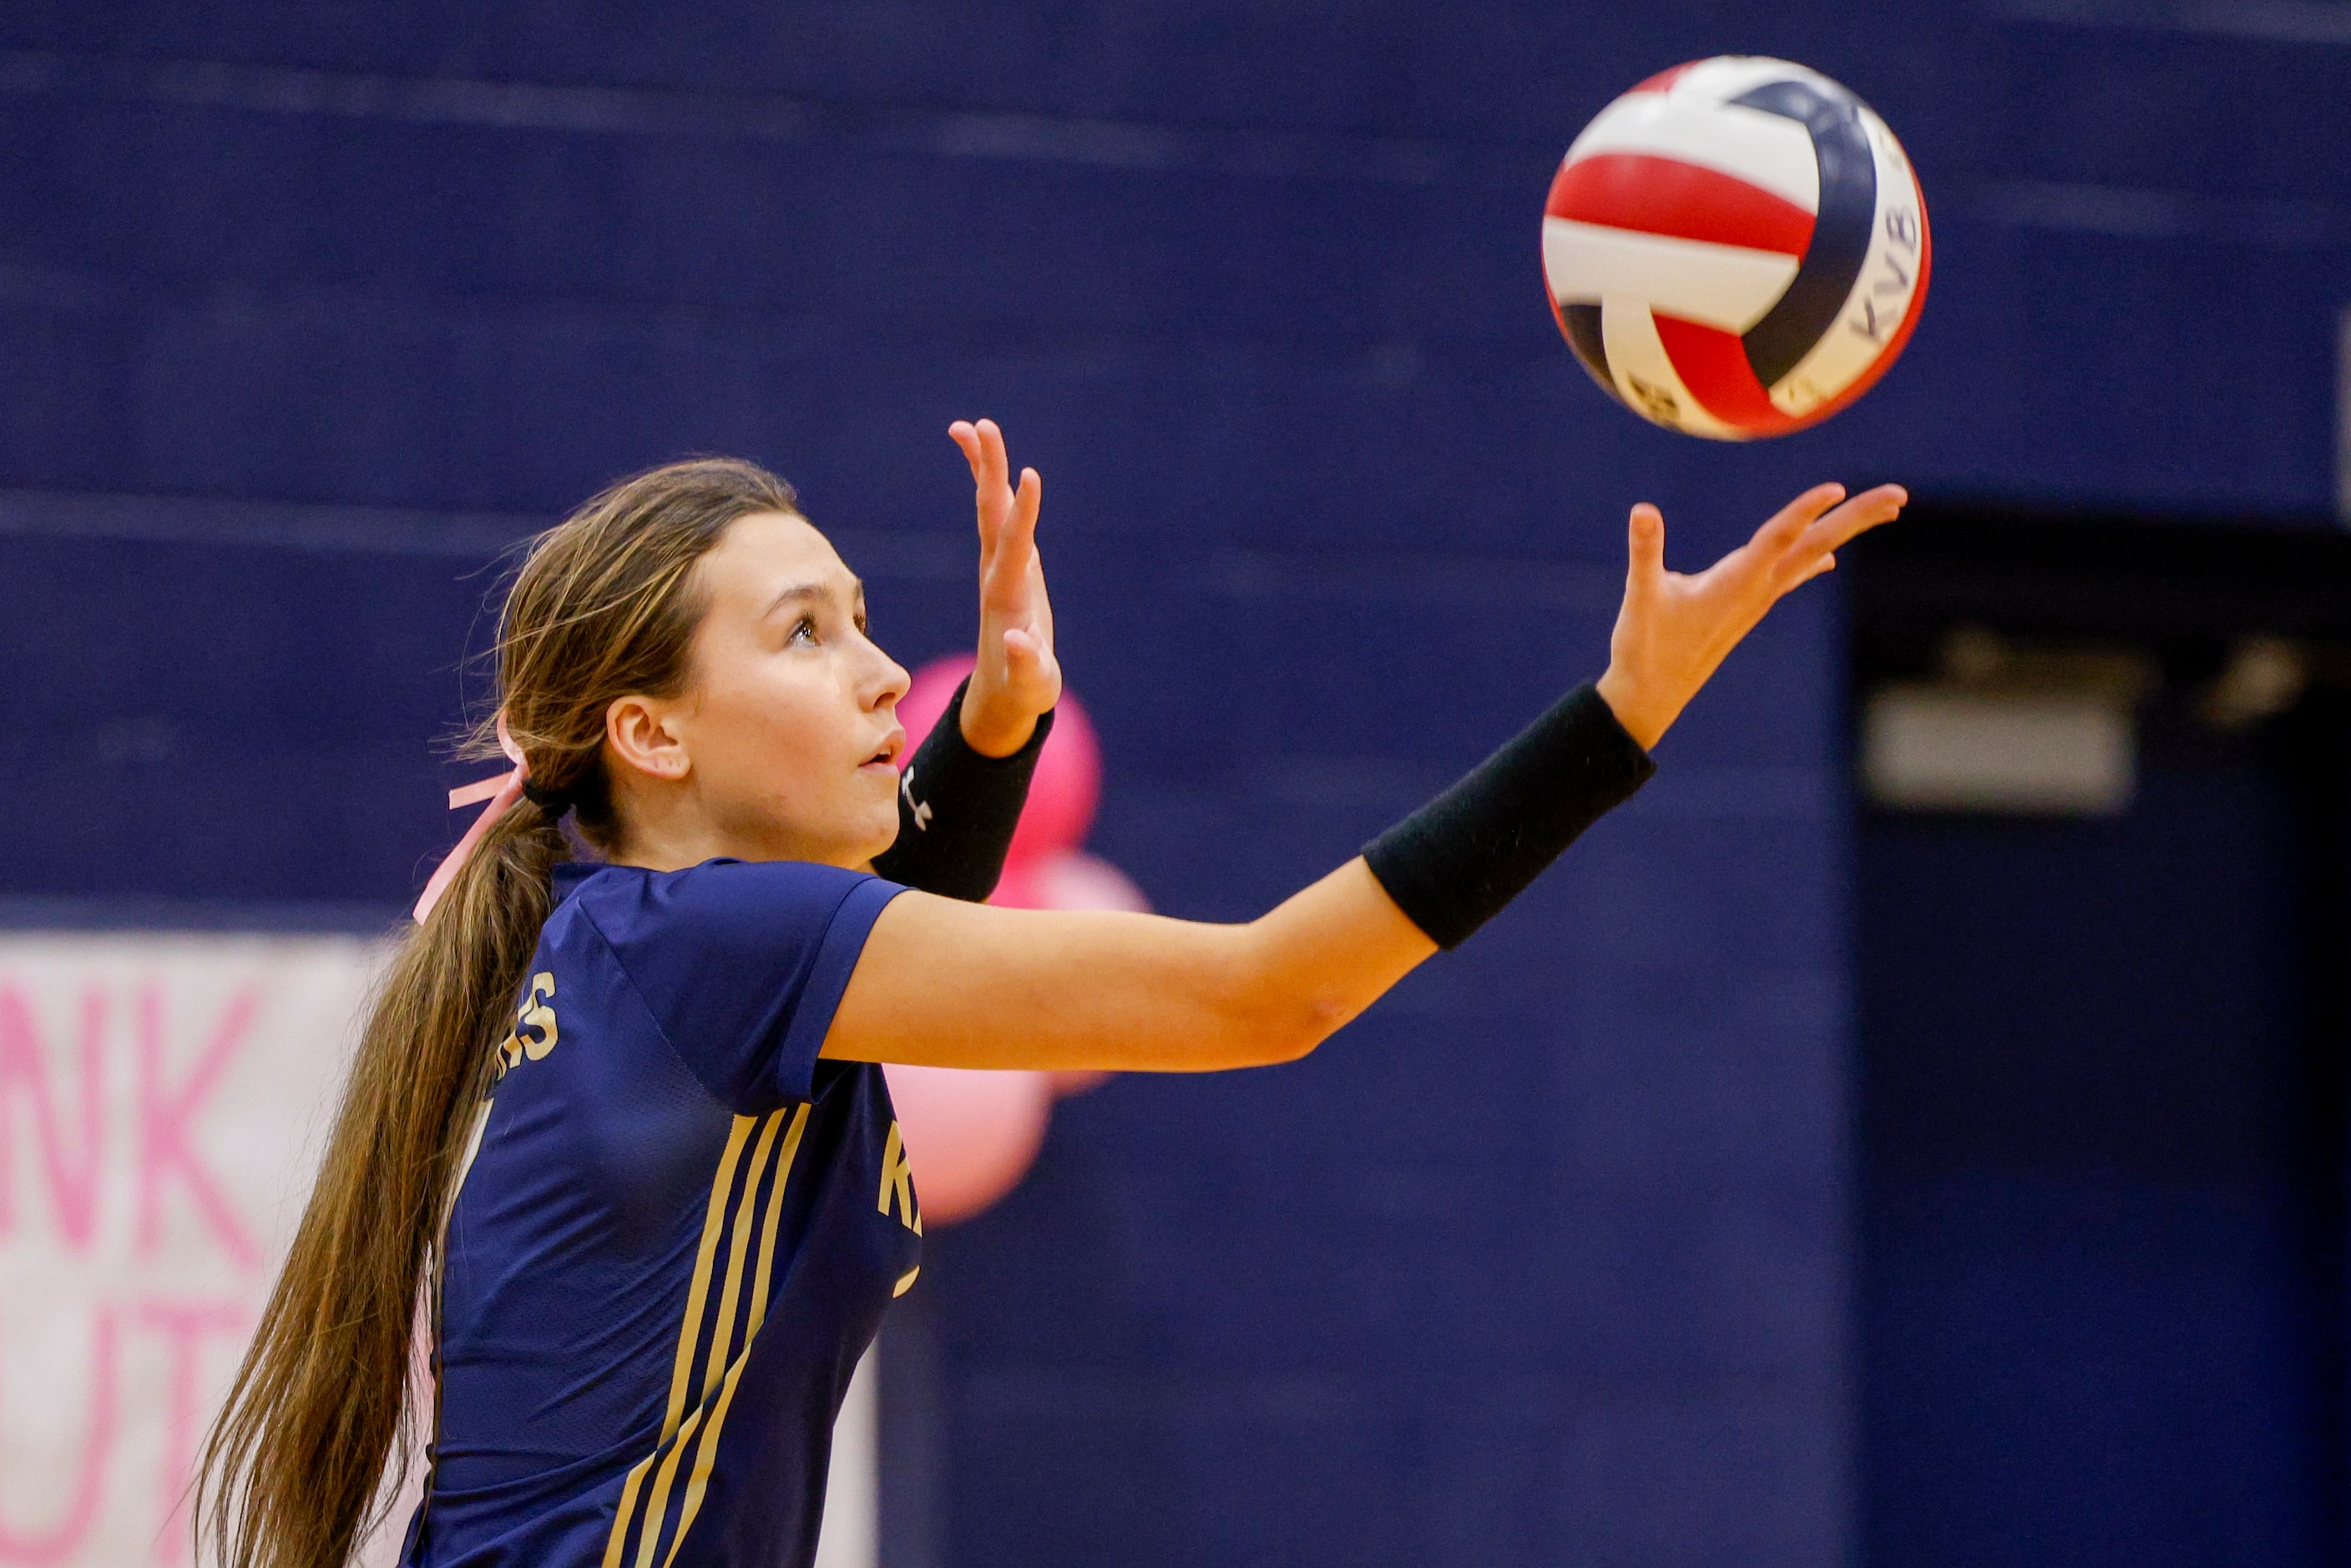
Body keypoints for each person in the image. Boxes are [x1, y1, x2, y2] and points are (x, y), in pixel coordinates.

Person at [198, 420, 1905, 1568]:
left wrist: (997, 715)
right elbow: (1267, 996)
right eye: (803, 635)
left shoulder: (632, 941)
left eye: (868, 619)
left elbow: (889, 937)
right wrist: (1616, 719)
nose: (878, 668)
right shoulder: (712, 944)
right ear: (651, 734)